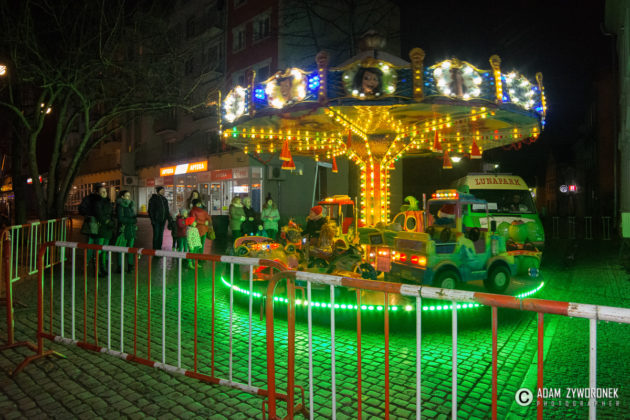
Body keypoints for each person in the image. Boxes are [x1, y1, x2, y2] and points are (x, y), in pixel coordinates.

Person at [92, 186, 115, 275]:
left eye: (105, 191)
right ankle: (97, 269)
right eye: (102, 192)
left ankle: (103, 268)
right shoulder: (97, 203)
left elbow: (111, 214)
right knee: (99, 249)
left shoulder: (108, 202)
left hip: (108, 228)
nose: (104, 193)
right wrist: (108, 222)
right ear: (98, 193)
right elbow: (99, 215)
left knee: (105, 249)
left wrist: (112, 222)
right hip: (101, 228)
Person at [115, 190, 137, 273]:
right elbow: (121, 219)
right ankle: (120, 267)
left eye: (129, 195)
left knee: (130, 249)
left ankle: (130, 266)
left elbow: (134, 217)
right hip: (123, 230)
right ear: (122, 197)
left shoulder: (131, 205)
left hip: (131, 230)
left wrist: (133, 221)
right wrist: (132, 221)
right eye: (127, 195)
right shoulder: (120, 206)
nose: (128, 197)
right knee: (121, 249)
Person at [148, 186, 173, 251]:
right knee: (156, 235)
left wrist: (169, 219)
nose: (163, 192)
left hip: (163, 220)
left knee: (161, 234)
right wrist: (153, 220)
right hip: (156, 220)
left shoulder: (164, 199)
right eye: (162, 190)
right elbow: (150, 210)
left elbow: (167, 210)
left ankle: (159, 248)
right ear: (158, 191)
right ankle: (155, 249)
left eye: (163, 190)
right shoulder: (153, 199)